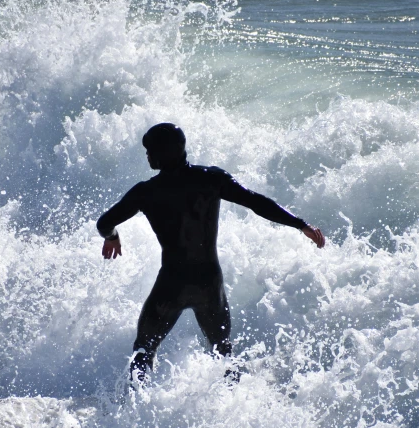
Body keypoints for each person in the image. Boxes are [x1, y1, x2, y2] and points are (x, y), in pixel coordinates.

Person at [97, 123, 325, 381]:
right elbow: (256, 202)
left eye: (151, 150)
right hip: (209, 284)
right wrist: (300, 224)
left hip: (171, 284)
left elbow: (104, 223)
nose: (147, 155)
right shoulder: (211, 179)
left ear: (165, 153)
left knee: (143, 350)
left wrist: (113, 237)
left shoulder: (145, 192)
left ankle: (134, 412)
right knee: (224, 353)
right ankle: (233, 409)